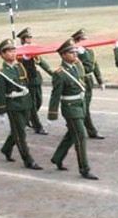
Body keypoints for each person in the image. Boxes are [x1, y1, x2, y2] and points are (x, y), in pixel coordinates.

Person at [48, 39, 98, 180]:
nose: (75, 54)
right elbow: (55, 95)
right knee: (80, 136)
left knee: (72, 134)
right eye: (71, 52)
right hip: (70, 108)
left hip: (80, 105)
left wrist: (85, 54)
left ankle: (57, 158)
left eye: (75, 51)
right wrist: (52, 116)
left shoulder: (77, 65)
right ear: (63, 55)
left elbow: (89, 67)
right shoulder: (59, 73)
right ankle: (84, 169)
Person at [0, 38, 42, 170]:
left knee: (17, 130)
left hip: (26, 103)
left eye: (13, 50)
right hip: (13, 105)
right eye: (8, 51)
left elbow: (32, 76)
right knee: (21, 134)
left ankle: (6, 148)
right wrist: (2, 111)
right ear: (2, 55)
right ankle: (28, 160)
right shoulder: (1, 73)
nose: (12, 53)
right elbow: (0, 93)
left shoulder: (20, 65)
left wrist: (29, 61)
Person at [16, 27, 53, 135]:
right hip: (27, 82)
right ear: (22, 40)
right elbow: (17, 67)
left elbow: (41, 62)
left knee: (39, 101)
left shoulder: (32, 50)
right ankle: (38, 126)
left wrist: (52, 73)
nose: (29, 40)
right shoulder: (18, 52)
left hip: (36, 80)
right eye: (27, 38)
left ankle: (25, 119)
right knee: (32, 104)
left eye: (30, 38)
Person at [71, 28, 105, 139]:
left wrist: (100, 80)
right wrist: (82, 53)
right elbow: (83, 67)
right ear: (77, 41)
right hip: (81, 81)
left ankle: (73, 126)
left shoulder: (89, 51)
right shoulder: (74, 52)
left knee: (86, 106)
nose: (86, 41)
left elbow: (95, 66)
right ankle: (91, 131)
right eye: (83, 39)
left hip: (89, 81)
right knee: (84, 107)